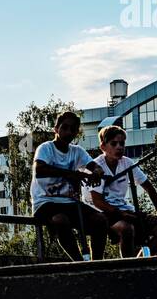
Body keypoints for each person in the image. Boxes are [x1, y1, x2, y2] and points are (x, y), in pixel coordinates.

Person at [31, 111, 107, 261]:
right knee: (61, 220)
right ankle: (78, 262)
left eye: (72, 129)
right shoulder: (46, 148)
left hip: (69, 203)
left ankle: (97, 263)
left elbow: (94, 166)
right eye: (64, 128)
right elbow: (39, 170)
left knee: (100, 220)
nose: (68, 132)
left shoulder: (77, 151)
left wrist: (97, 173)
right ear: (56, 129)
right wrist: (70, 174)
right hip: (45, 203)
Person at [84, 124, 157, 257]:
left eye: (122, 143)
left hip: (123, 208)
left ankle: (140, 260)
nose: (119, 147)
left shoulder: (127, 163)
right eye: (114, 144)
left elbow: (148, 187)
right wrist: (121, 214)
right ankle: (127, 266)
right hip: (101, 212)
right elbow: (97, 201)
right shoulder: (97, 166)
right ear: (103, 147)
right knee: (127, 229)